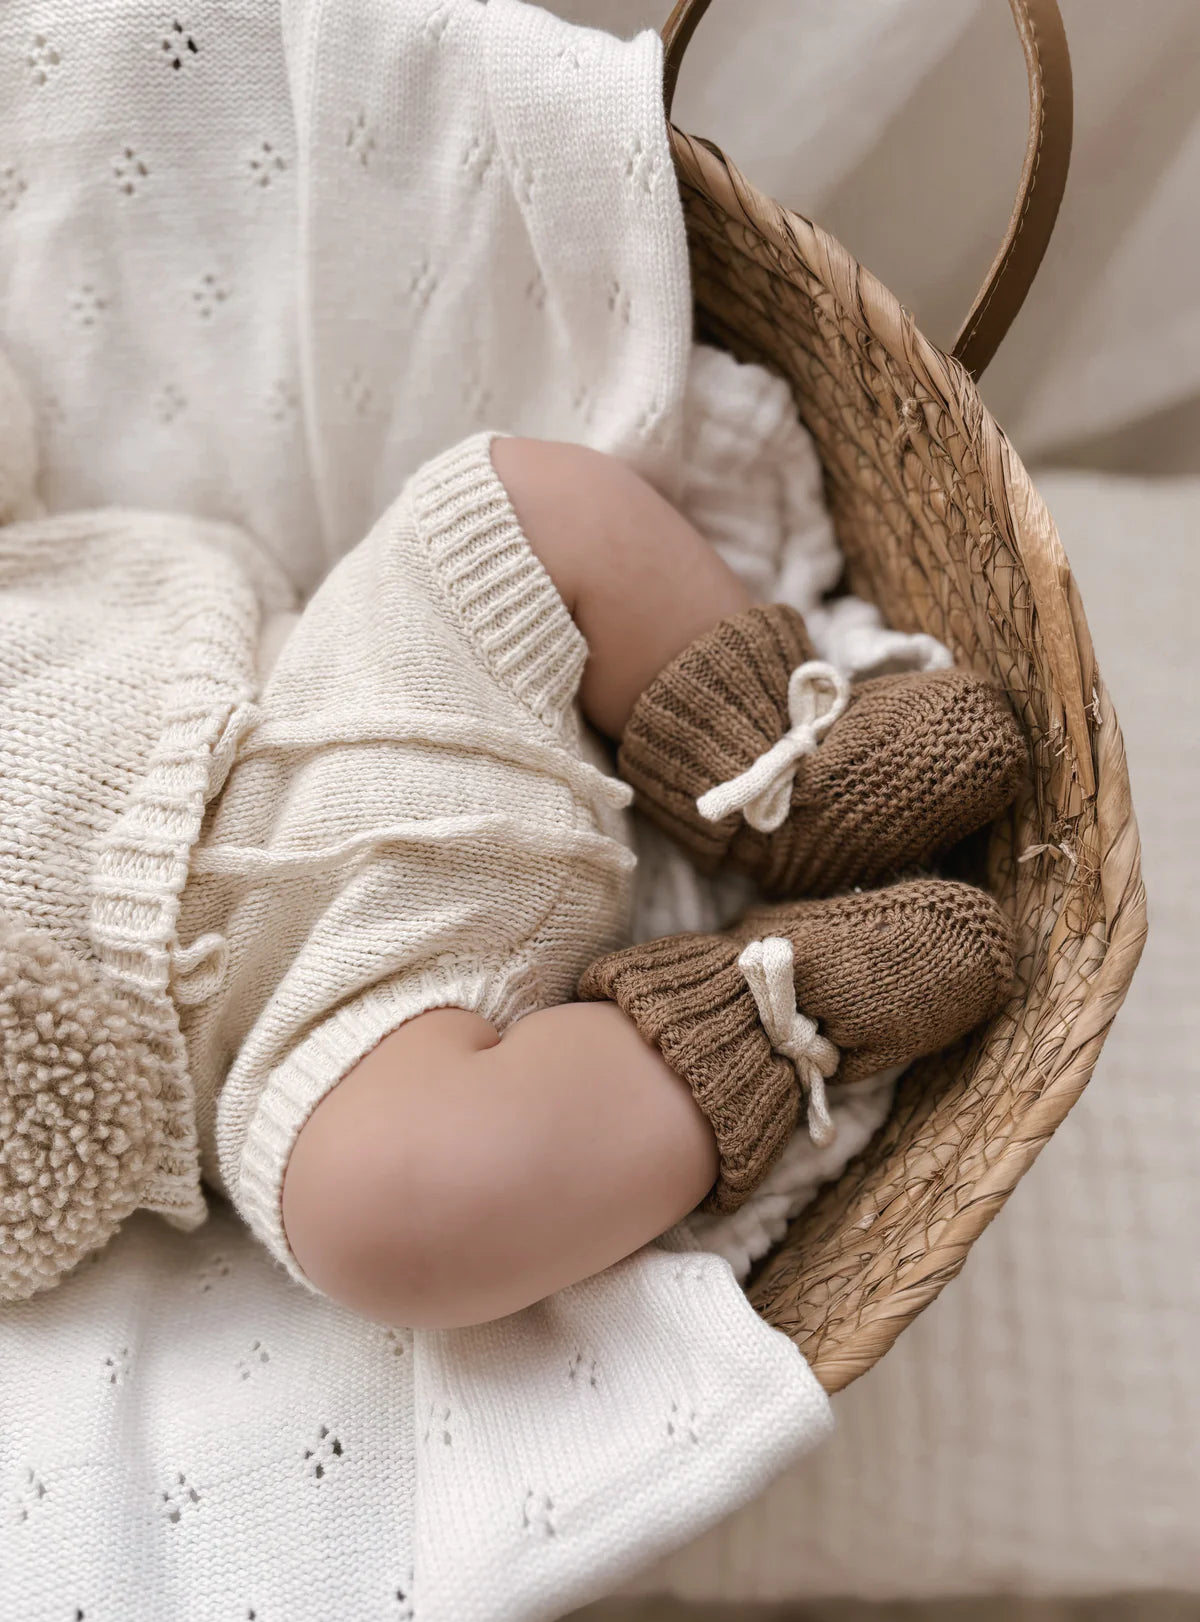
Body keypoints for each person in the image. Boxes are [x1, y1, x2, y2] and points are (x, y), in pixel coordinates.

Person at [0, 350, 1023, 1322]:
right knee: (383, 1213)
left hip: (335, 678)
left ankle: (779, 774)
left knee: (517, 500)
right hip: (296, 1005)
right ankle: (764, 1016)